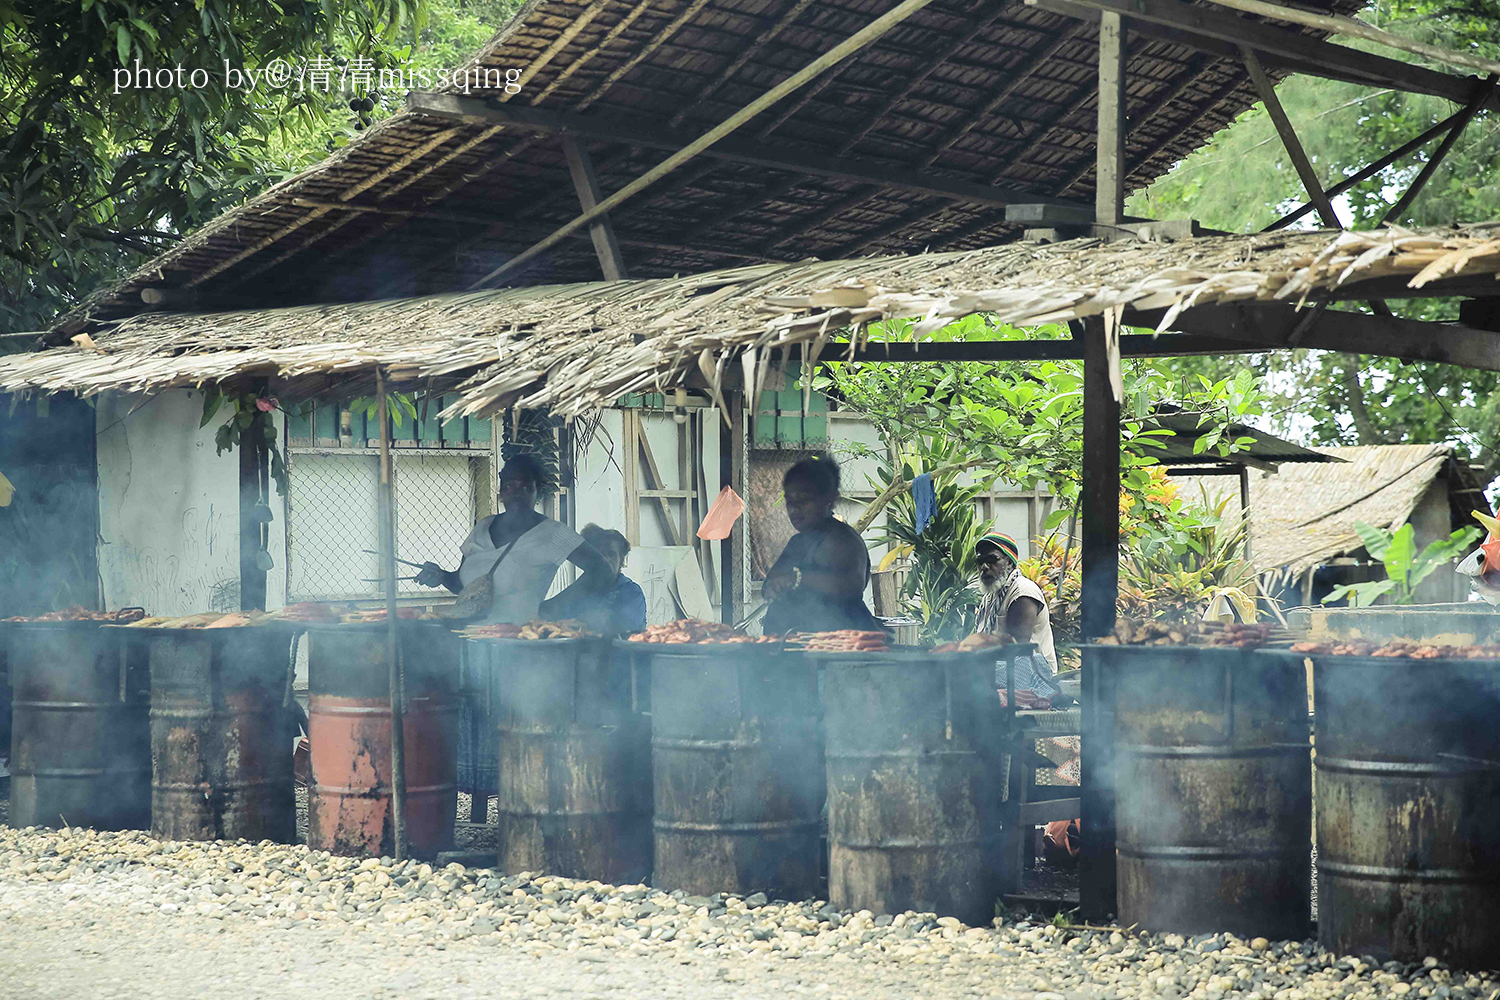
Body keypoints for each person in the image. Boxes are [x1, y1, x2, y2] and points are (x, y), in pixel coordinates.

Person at [414, 453, 612, 623]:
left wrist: (552, 607)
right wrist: (441, 576)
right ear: (501, 491)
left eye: (526, 487)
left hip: (517, 644)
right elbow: (465, 586)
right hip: (468, 638)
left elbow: (602, 571)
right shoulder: (483, 527)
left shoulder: (553, 533)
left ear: (538, 492)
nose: (517, 494)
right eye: (510, 486)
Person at [762, 454, 881, 635]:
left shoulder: (843, 539)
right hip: (796, 649)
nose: (794, 509)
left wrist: (797, 579)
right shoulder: (797, 542)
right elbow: (770, 583)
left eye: (803, 500)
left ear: (828, 499)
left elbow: (851, 585)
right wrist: (772, 587)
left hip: (841, 647)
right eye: (790, 502)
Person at [974, 530, 1060, 688]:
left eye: (992, 560)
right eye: (980, 561)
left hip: (1034, 681)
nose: (985, 567)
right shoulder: (991, 596)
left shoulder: (1022, 592)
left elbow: (1017, 652)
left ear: (1009, 562)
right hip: (1002, 675)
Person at [540, 524, 647, 638]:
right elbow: (547, 612)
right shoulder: (582, 587)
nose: (604, 559)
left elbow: (620, 630)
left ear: (621, 561)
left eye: (611, 554)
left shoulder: (631, 592)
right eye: (599, 554)